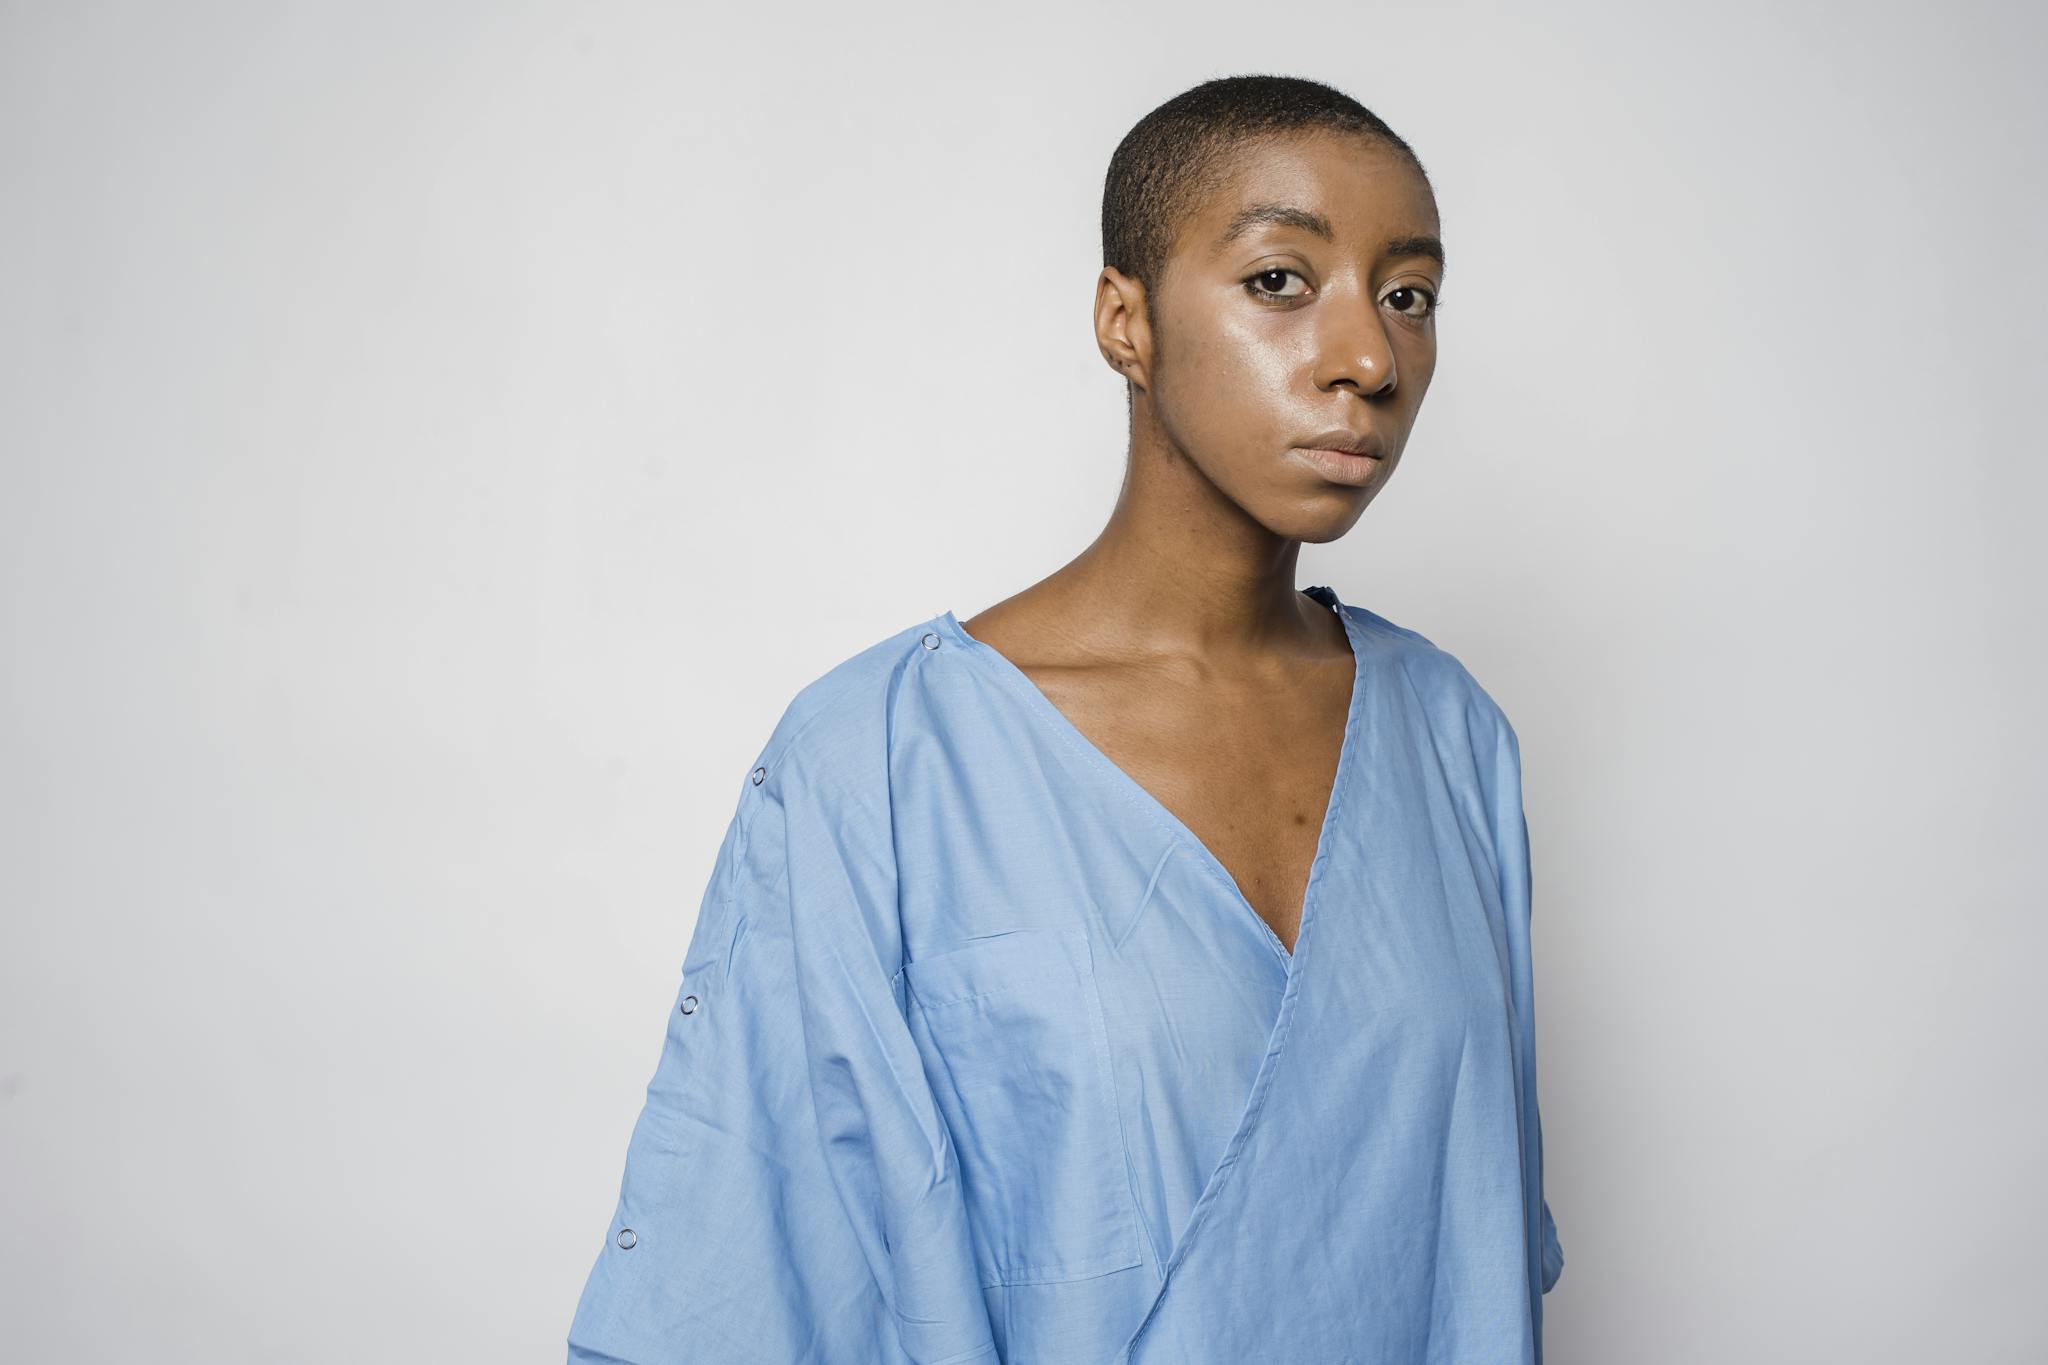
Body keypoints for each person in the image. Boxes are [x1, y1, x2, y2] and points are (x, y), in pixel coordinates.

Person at [566, 72, 1564, 1365]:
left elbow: (1466, 1246)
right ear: (1125, 320)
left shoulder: (1452, 740)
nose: (1367, 358)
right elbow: (753, 1273)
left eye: (1407, 294)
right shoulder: (878, 763)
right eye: (1280, 280)